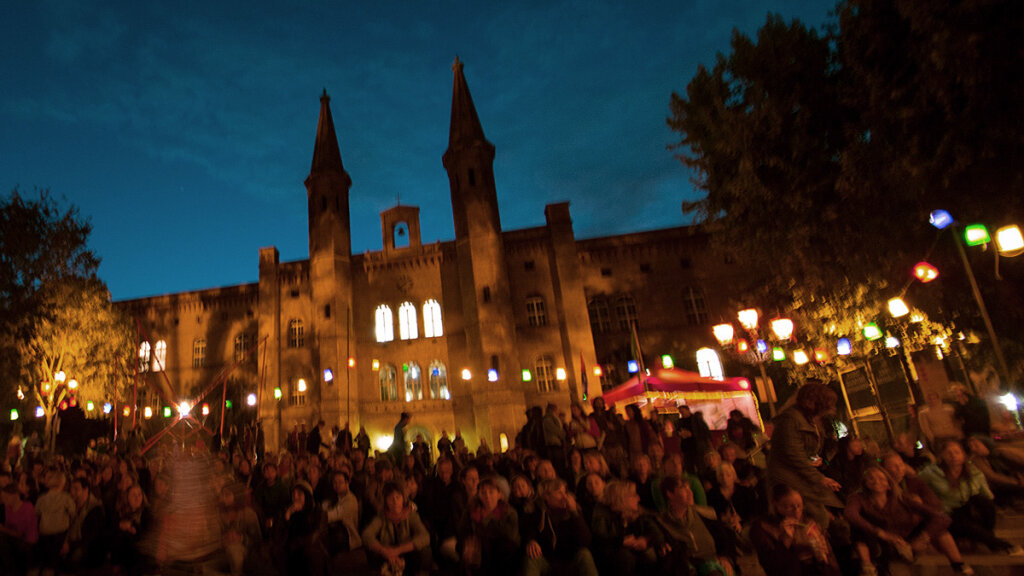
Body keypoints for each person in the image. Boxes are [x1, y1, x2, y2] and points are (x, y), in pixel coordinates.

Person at [845, 465, 971, 575]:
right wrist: (881, 533)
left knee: (940, 530)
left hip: (905, 542)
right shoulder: (858, 498)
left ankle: (958, 565)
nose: (877, 481)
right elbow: (851, 514)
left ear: (888, 484)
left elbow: (941, 517)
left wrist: (924, 537)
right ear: (865, 484)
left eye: (881, 479)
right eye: (871, 479)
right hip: (877, 542)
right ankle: (868, 567)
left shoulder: (901, 499)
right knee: (858, 529)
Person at [918, 439, 1023, 555]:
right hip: (948, 512)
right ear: (942, 456)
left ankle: (990, 538)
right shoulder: (932, 473)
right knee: (966, 524)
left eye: (957, 452)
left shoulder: (973, 473)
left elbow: (987, 496)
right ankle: (1005, 546)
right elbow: (916, 483)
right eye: (949, 453)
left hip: (967, 508)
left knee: (983, 501)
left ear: (963, 455)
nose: (953, 456)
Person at [766, 382, 843, 529]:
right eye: (828, 404)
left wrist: (813, 459)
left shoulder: (811, 420)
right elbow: (793, 455)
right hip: (789, 479)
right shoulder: (791, 420)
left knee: (821, 515)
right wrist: (820, 479)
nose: (831, 408)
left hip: (802, 475)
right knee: (815, 516)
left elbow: (804, 451)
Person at [750, 483, 840, 576]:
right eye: (788, 507)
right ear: (775, 505)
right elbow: (772, 567)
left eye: (799, 505)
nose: (796, 511)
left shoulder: (808, 522)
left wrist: (822, 555)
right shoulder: (762, 528)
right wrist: (785, 540)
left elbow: (829, 561)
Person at [522, 478, 598, 576]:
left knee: (585, 554)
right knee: (531, 557)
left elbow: (585, 541)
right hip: (547, 560)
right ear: (546, 496)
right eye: (559, 493)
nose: (564, 496)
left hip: (569, 560)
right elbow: (528, 531)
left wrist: (574, 512)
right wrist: (531, 541)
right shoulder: (537, 513)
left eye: (564, 492)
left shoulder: (573, 512)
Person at [590, 479, 663, 576]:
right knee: (625, 556)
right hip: (612, 561)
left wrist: (646, 539)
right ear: (621, 498)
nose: (638, 498)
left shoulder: (636, 512)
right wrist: (621, 541)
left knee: (652, 553)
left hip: (634, 555)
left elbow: (655, 530)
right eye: (634, 495)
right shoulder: (603, 514)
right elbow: (600, 541)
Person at [362, 481, 432, 576]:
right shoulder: (382, 516)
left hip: (407, 553)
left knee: (425, 551)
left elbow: (424, 536)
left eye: (398, 497)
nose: (395, 502)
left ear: (403, 499)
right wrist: (384, 551)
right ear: (386, 501)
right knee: (370, 549)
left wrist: (398, 550)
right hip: (387, 553)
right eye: (391, 498)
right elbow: (367, 535)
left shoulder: (411, 515)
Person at [457, 476, 520, 576]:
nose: (487, 496)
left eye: (491, 492)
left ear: (499, 494)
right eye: (483, 493)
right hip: (477, 549)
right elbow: (462, 531)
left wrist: (488, 518)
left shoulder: (509, 512)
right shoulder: (471, 511)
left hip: (501, 552)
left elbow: (510, 535)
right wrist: (467, 543)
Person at [61, 477, 106, 572]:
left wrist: (70, 545)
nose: (72, 492)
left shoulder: (95, 509)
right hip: (73, 541)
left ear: (86, 490)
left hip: (88, 547)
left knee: (74, 558)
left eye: (76, 489)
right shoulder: (71, 505)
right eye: (71, 489)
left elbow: (91, 537)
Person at [0, 483, 38, 575]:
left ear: (16, 496)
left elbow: (20, 534)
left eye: (6, 497)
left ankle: (11, 571)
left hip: (27, 543)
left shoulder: (27, 508)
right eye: (2, 497)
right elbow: (8, 528)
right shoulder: (8, 507)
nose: (3, 500)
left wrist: (2, 529)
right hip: (14, 540)